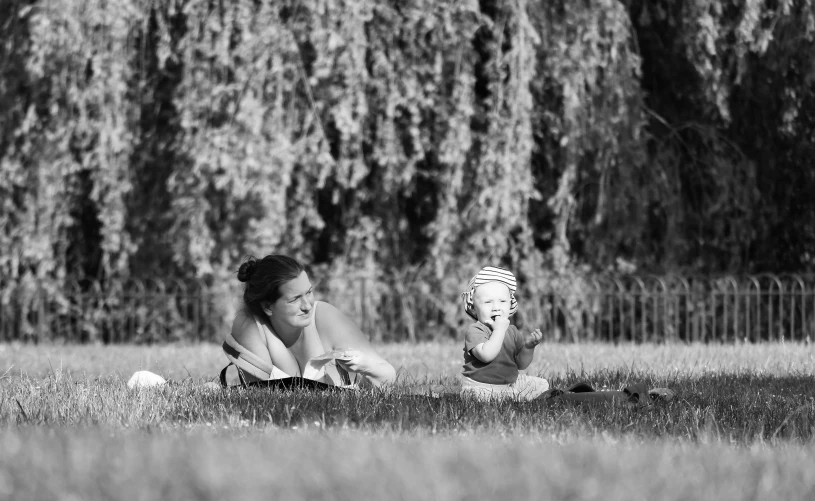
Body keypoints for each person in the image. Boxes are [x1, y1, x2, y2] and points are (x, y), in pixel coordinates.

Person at [221, 254, 396, 388]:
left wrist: (364, 364)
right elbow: (264, 391)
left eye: (309, 292)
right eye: (295, 299)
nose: (307, 305)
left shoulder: (325, 316)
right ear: (268, 306)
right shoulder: (250, 326)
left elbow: (387, 374)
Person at [459, 265, 550, 400]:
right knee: (481, 395)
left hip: (509, 383)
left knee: (541, 384)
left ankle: (511, 394)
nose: (496, 308)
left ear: (510, 304)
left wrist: (529, 348)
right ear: (473, 308)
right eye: (488, 302)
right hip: (481, 385)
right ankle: (508, 397)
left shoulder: (512, 331)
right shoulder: (475, 331)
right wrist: (499, 330)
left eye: (502, 301)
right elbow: (486, 355)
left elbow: (521, 364)